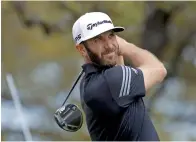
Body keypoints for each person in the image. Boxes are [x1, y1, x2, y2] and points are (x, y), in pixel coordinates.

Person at [72, 12, 167, 141]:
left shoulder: (89, 81)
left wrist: (115, 51)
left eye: (111, 36)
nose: (109, 45)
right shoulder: (111, 81)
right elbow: (159, 69)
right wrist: (126, 46)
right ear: (82, 49)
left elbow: (119, 68)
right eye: (97, 39)